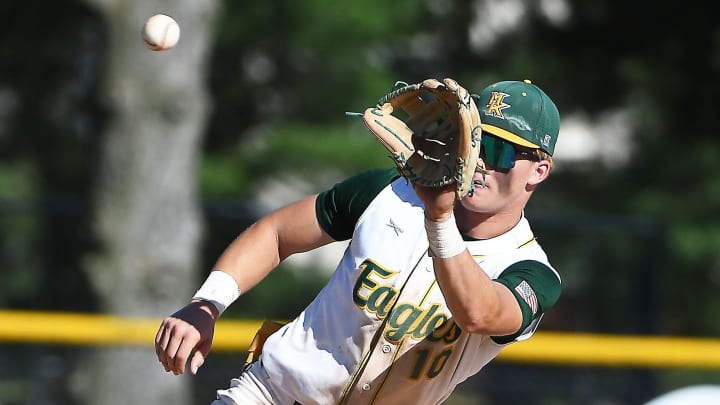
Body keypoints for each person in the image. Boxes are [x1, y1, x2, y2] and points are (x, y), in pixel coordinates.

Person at [155, 79, 563, 405]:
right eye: (476, 140)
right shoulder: (388, 192)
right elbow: (277, 234)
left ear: (538, 170)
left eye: (501, 151)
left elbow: (480, 315)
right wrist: (207, 303)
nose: (481, 160)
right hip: (273, 394)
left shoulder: (530, 271)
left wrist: (438, 219)